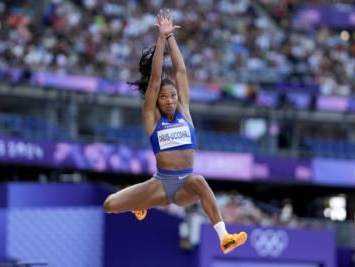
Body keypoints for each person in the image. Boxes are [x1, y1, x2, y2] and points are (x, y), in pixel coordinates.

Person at [103, 9, 247, 254]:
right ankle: (141, 204)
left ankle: (224, 237)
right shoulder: (152, 117)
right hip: (160, 184)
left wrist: (172, 38)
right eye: (164, 97)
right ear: (156, 101)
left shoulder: (185, 112)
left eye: (173, 96)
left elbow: (180, 72)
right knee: (109, 205)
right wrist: (161, 38)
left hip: (184, 187)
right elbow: (157, 77)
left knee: (199, 181)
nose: (170, 100)